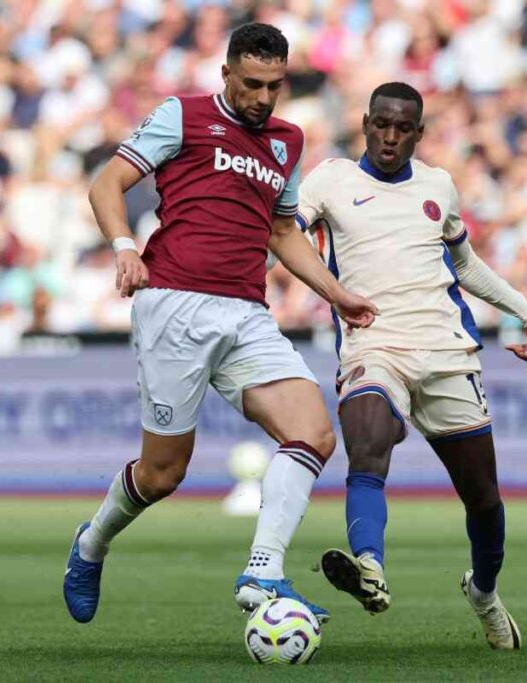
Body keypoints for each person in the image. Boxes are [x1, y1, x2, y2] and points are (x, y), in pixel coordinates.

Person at [63, 23, 377, 625]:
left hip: (247, 312)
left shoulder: (287, 140)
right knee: (162, 474)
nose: (263, 98)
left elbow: (283, 231)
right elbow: (108, 183)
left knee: (313, 431)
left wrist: (336, 293)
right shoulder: (182, 115)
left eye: (274, 86)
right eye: (253, 84)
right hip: (174, 303)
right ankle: (90, 545)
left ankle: (263, 574)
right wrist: (125, 246)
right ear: (227, 74)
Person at [295, 82, 527, 650]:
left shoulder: (438, 186)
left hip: (445, 351)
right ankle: (370, 567)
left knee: (483, 498)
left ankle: (483, 592)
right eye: (381, 124)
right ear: (364, 123)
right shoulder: (330, 180)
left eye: (403, 127)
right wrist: (332, 291)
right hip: (373, 346)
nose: (390, 137)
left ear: (419, 132)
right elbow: (282, 233)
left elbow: (466, 265)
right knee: (366, 440)